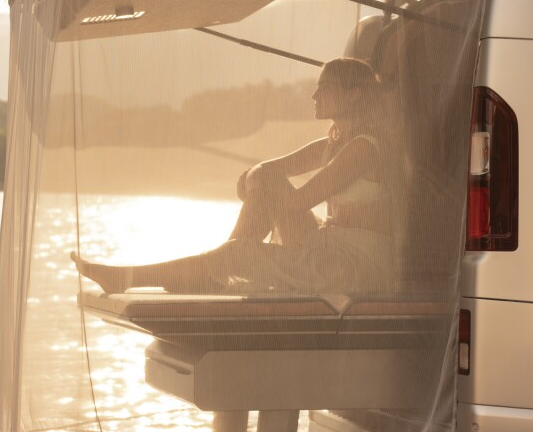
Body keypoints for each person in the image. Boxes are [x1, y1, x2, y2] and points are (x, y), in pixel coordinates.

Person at [72, 57, 397, 296]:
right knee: (265, 191)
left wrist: (257, 190)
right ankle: (218, 267)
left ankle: (137, 277)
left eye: (324, 89)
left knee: (240, 251)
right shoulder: (331, 144)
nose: (314, 97)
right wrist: (257, 184)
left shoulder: (362, 150)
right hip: (329, 248)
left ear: (354, 94)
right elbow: (268, 172)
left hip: (356, 270)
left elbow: (298, 203)